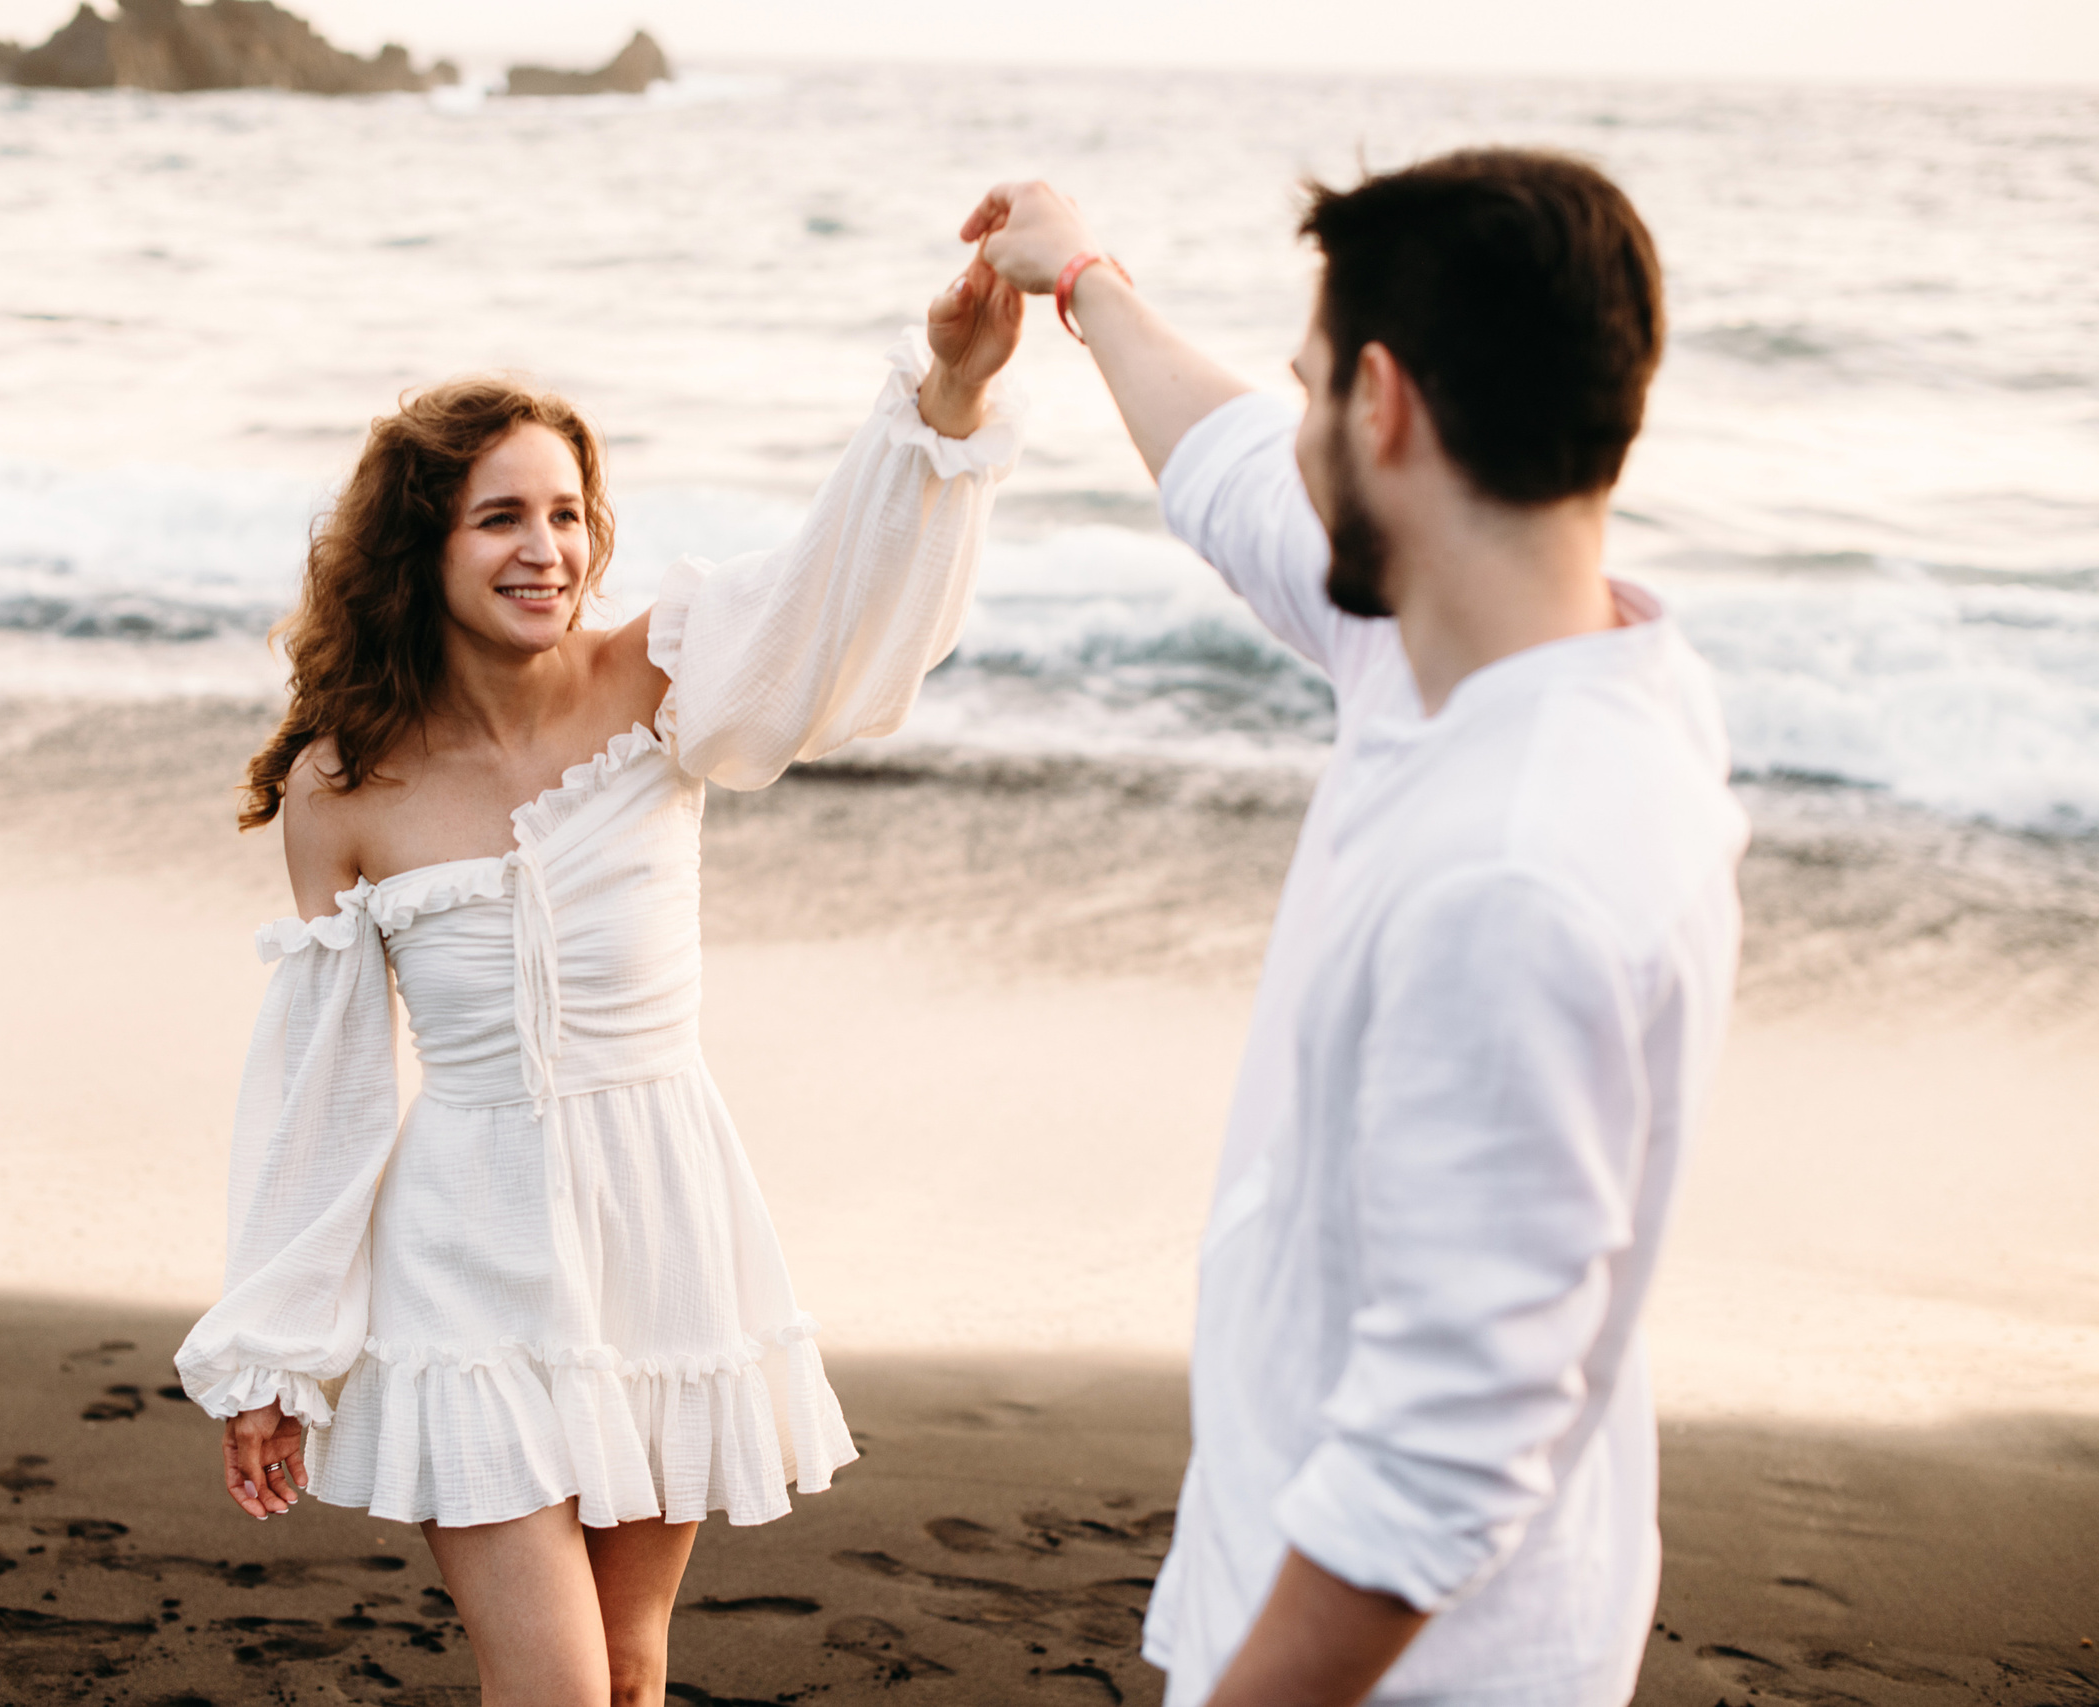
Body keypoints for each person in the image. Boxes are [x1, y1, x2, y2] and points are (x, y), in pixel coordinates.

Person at [174, 260, 1026, 1706]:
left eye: (567, 514)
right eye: (501, 515)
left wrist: (947, 389)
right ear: (421, 548)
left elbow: (840, 594)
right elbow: (320, 1084)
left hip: (659, 1221)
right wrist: (276, 1349)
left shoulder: (666, 678)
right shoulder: (344, 784)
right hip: (468, 1255)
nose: (545, 549)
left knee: (631, 1673)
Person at [963, 152, 1748, 1707]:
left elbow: (1444, 1456)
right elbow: (1242, 466)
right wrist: (1081, 280)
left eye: (1318, 382)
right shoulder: (1530, 663)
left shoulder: (1515, 872)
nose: (1298, 415)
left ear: (1382, 404)